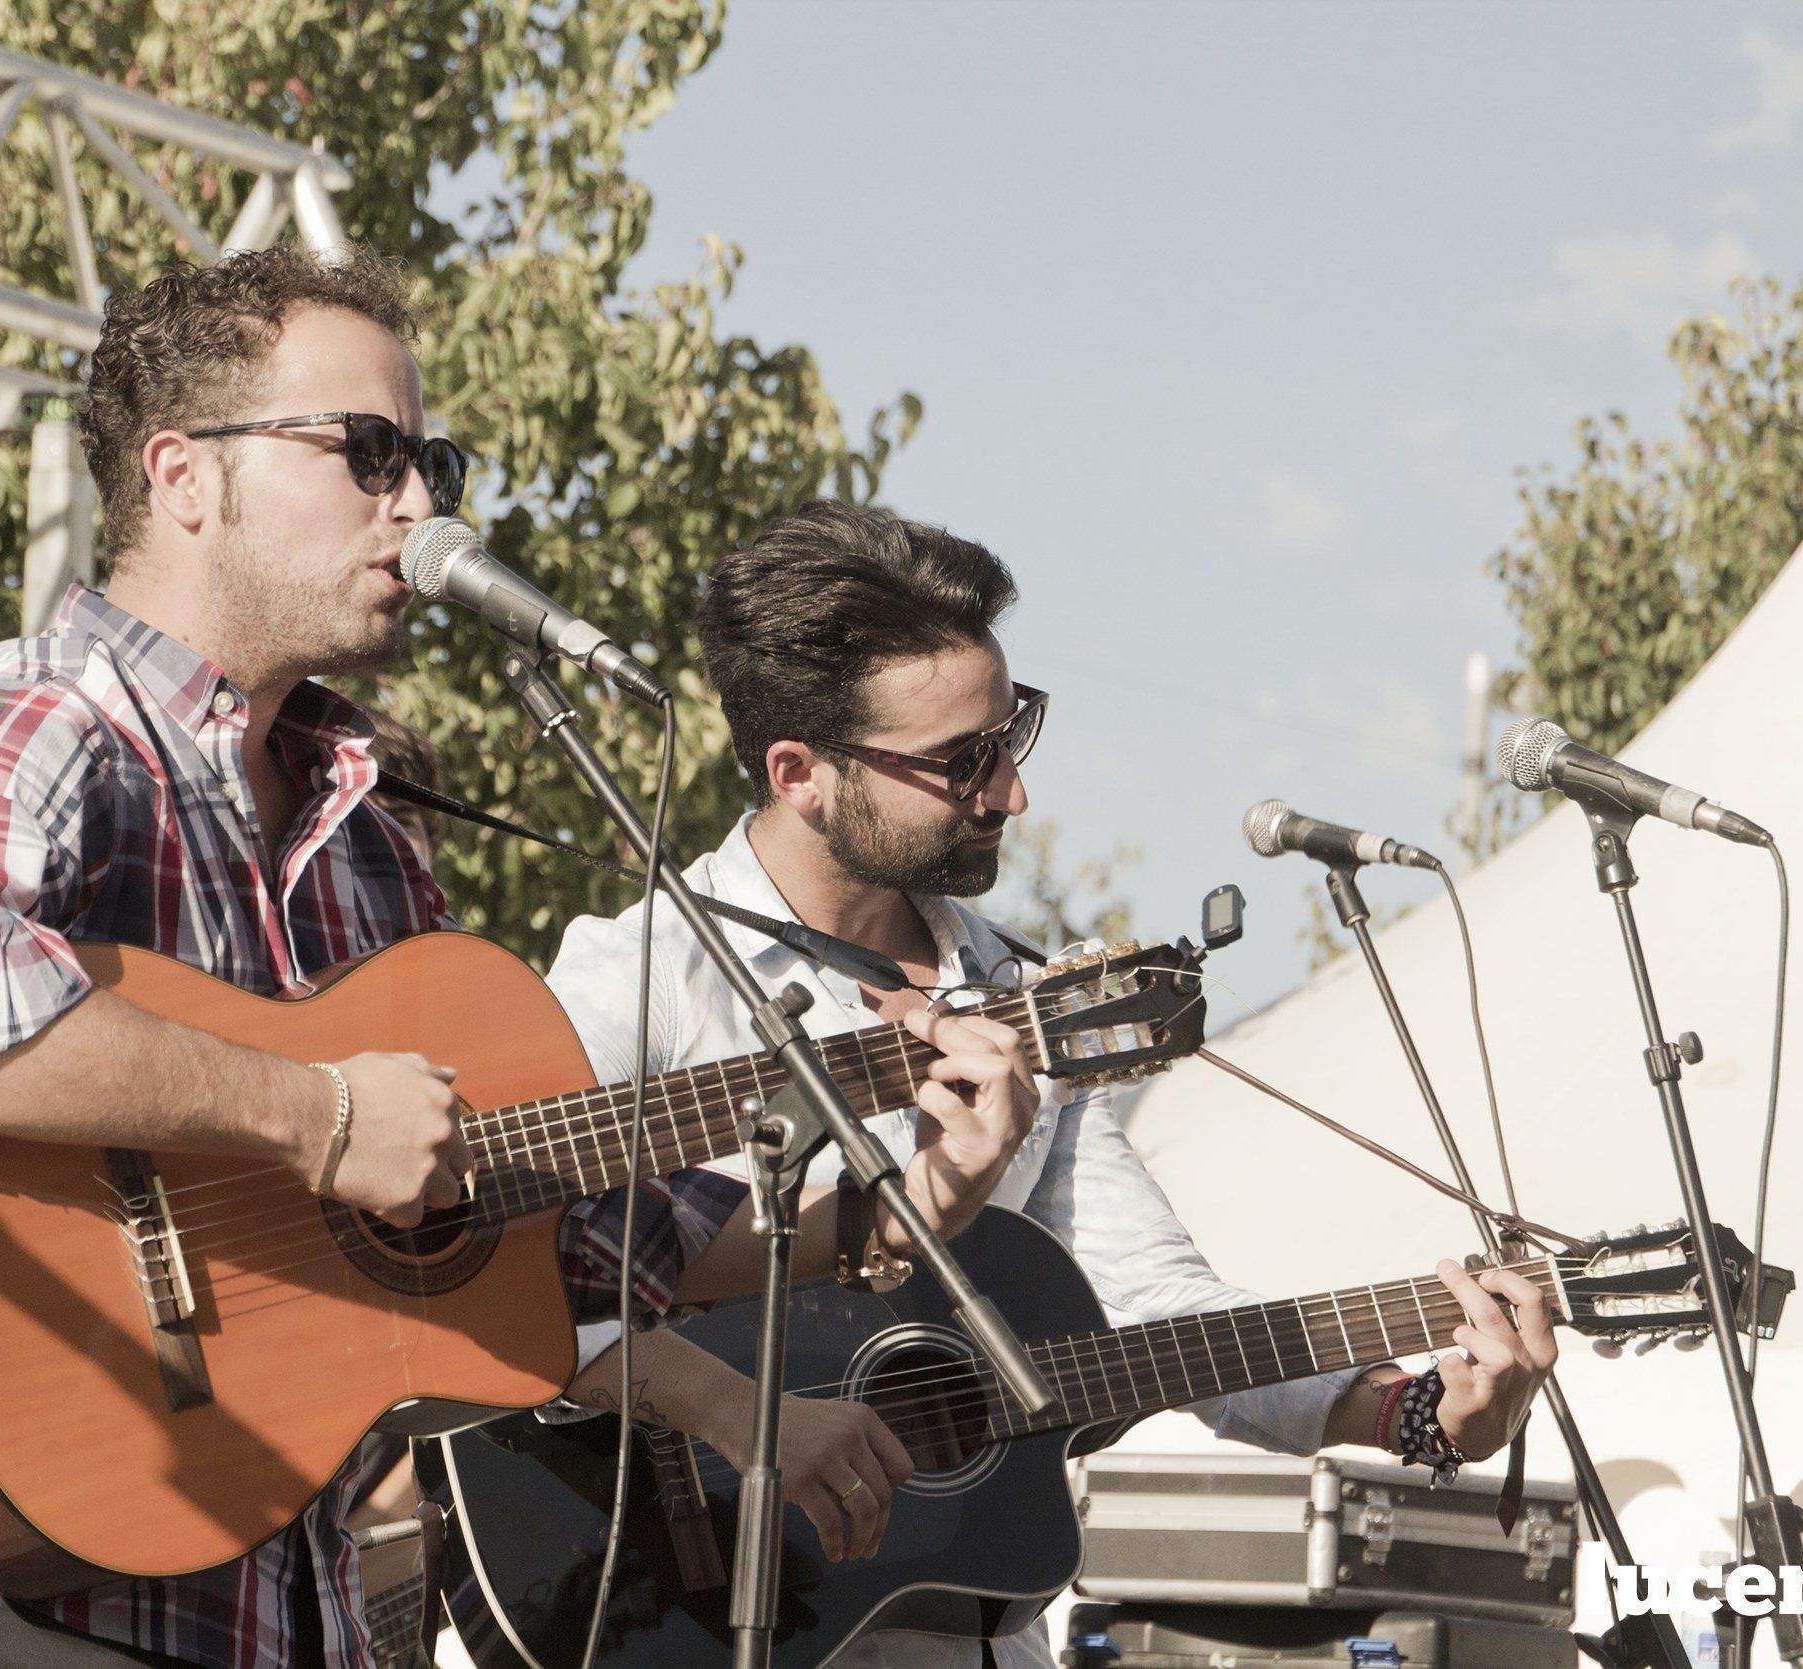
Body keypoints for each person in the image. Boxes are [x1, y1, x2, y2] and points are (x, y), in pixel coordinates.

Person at [0, 252, 1033, 1668]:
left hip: (290, 1603)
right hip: (22, 1595)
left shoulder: (373, 839)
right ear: (185, 476)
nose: (423, 506)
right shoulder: (31, 730)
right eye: (368, 453)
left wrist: (898, 1202)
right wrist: (312, 1115)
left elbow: (555, 1247)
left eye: (429, 457)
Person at [524, 501, 1561, 1669]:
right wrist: (732, 1411)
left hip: (967, 1638)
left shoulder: (1019, 990)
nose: (1009, 792)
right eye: (961, 761)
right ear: (798, 772)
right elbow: (490, 1286)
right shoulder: (639, 976)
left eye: (1010, 734)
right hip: (664, 1614)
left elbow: (1153, 1306)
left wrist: (1409, 1405)